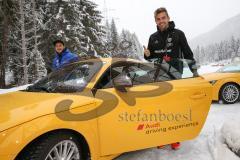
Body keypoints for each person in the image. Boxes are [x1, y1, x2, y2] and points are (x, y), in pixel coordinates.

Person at [144, 7, 198, 78]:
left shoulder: (179, 34)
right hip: (158, 77)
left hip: (175, 75)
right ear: (155, 21)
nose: (161, 21)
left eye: (163, 18)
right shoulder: (152, 37)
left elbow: (188, 54)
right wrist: (147, 55)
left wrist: (194, 71)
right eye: (158, 19)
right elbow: (150, 58)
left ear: (168, 18)